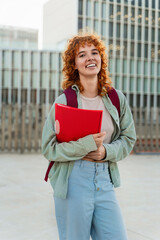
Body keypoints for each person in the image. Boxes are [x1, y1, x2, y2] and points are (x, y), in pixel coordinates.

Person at [42, 33, 136, 240]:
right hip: (73, 179)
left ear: (101, 58)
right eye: (82, 55)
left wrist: (105, 152)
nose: (90, 58)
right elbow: (49, 148)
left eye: (94, 53)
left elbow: (129, 138)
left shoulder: (116, 98)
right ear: (74, 64)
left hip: (105, 179)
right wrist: (85, 145)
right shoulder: (64, 101)